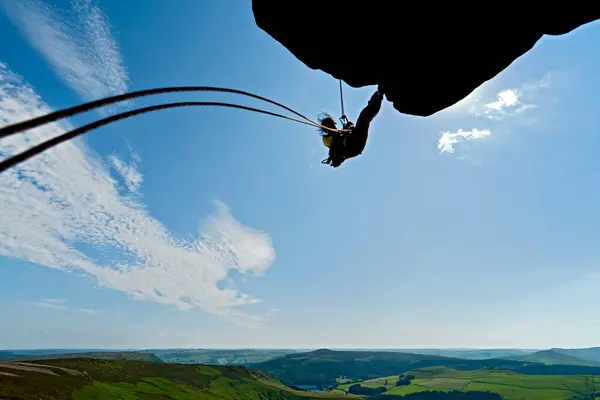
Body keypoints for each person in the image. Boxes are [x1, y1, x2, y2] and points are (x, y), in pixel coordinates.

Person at [319, 86, 384, 168]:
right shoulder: (326, 139)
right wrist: (343, 132)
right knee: (339, 140)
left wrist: (348, 127)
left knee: (363, 118)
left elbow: (347, 131)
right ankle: (379, 94)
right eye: (326, 125)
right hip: (351, 148)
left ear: (333, 123)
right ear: (325, 129)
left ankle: (379, 94)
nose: (328, 126)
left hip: (355, 139)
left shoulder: (341, 131)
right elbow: (335, 143)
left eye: (329, 123)